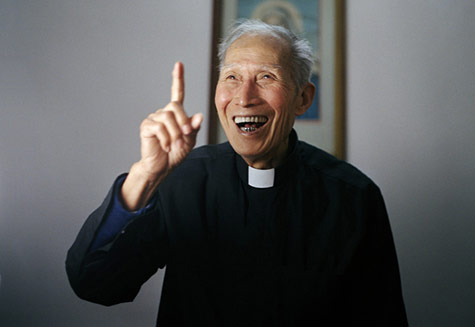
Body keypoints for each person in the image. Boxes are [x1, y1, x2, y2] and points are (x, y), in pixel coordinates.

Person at [66, 20, 408, 326]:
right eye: (232, 77)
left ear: (303, 99)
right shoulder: (184, 180)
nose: (244, 98)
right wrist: (144, 176)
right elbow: (94, 283)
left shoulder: (354, 197)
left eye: (266, 77)